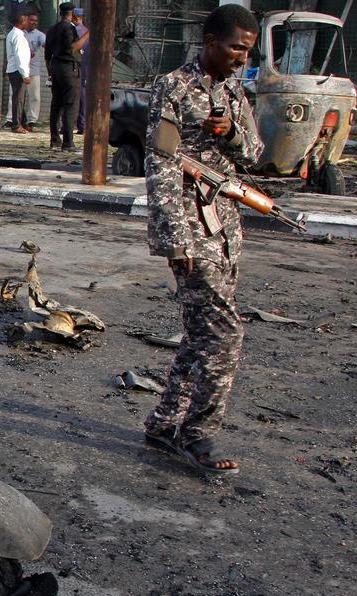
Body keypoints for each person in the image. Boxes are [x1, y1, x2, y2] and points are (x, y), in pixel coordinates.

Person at [142, 4, 262, 477]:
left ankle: (163, 423)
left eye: (247, 51)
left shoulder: (234, 91)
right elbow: (162, 164)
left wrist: (232, 134)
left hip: (226, 228)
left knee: (200, 333)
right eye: (236, 48)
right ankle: (197, 434)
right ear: (210, 42)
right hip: (191, 231)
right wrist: (175, 239)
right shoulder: (174, 87)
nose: (241, 58)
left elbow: (255, 155)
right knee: (224, 333)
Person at [45, 2, 87, 150]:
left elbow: (47, 55)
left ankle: (55, 140)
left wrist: (50, 73)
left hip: (55, 67)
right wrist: (88, 34)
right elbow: (73, 47)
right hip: (69, 68)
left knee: (56, 105)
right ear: (73, 14)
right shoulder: (69, 28)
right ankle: (68, 142)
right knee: (71, 104)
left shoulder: (52, 29)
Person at [5, 5, 34, 133]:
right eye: (27, 20)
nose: (28, 22)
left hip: (15, 69)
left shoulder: (14, 34)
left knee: (20, 97)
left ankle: (23, 121)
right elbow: (19, 56)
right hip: (18, 70)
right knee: (19, 98)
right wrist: (24, 74)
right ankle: (16, 124)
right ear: (22, 21)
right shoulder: (17, 36)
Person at [74, 7, 88, 134]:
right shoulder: (86, 31)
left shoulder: (74, 31)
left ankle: (69, 124)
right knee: (83, 96)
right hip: (86, 67)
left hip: (75, 67)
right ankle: (82, 124)